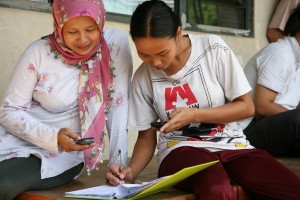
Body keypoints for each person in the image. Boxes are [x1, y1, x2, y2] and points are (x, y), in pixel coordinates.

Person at [106, 1, 300, 199]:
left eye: (162, 53)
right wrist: (131, 172)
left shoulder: (212, 49)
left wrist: (195, 114)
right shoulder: (142, 77)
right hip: (180, 150)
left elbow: (247, 107)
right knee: (217, 189)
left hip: (232, 145)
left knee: (293, 189)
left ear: (178, 34)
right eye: (144, 54)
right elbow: (146, 138)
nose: (155, 62)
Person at [0, 0, 132, 199]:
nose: (83, 39)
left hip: (62, 157)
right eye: (72, 32)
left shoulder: (113, 45)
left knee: (4, 184)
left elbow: (117, 106)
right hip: (13, 140)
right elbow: (9, 110)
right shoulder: (39, 52)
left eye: (91, 29)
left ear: (101, 21)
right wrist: (53, 136)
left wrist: (117, 163)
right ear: (59, 25)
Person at [244, 6, 300, 158]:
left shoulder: (297, 59)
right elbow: (261, 106)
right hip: (250, 127)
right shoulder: (280, 53)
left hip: (283, 129)